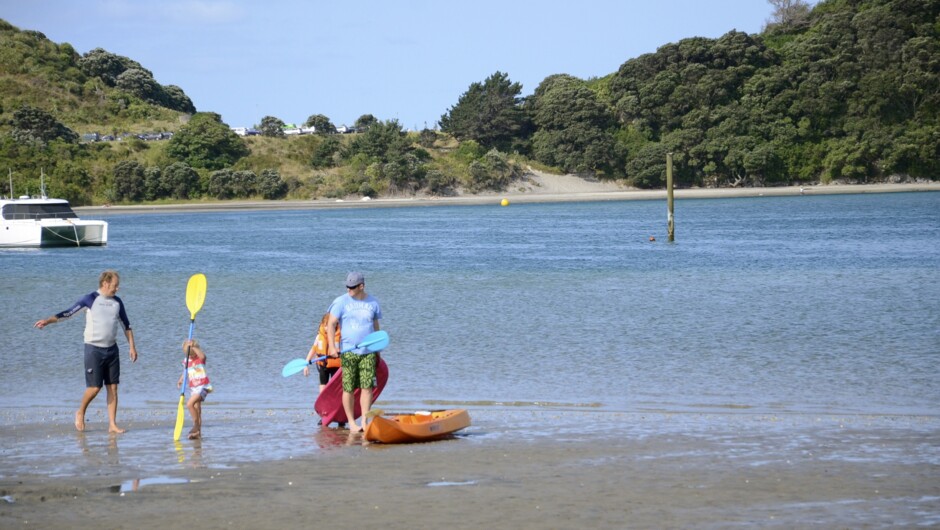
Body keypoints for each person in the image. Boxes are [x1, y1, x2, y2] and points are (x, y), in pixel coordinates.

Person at [34, 270, 139, 433]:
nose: (117, 289)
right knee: (95, 388)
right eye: (115, 285)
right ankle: (81, 411)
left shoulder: (117, 302)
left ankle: (112, 424)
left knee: (113, 388)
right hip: (93, 349)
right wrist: (47, 321)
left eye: (117, 286)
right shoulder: (90, 299)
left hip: (112, 350)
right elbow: (67, 313)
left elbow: (127, 326)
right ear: (105, 283)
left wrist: (132, 347)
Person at [327, 271, 382, 433]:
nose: (348, 290)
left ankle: (365, 421)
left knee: (367, 387)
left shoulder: (373, 302)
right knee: (348, 388)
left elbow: (376, 325)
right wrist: (332, 346)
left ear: (361, 286)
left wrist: (378, 348)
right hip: (348, 352)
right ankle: (352, 423)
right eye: (347, 286)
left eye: (352, 287)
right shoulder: (340, 302)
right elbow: (331, 324)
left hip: (368, 351)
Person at [304, 313, 346, 427]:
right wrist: (306, 363)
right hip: (323, 366)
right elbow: (314, 349)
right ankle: (324, 415)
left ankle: (341, 417)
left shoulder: (341, 335)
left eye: (331, 325)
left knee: (338, 391)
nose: (328, 328)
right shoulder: (319, 336)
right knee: (323, 391)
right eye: (326, 325)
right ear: (322, 324)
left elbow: (346, 348)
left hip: (336, 365)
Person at [177, 339, 212, 439]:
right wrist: (181, 379)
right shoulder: (187, 361)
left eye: (191, 354)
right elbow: (185, 372)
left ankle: (196, 426)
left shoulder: (200, 359)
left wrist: (194, 347)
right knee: (197, 409)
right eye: (188, 354)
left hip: (203, 387)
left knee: (189, 404)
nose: (190, 356)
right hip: (194, 388)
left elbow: (203, 356)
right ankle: (198, 432)